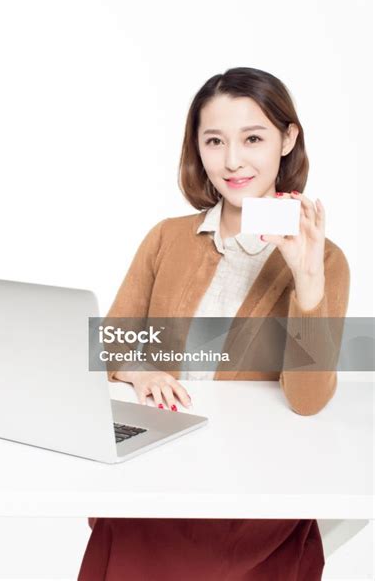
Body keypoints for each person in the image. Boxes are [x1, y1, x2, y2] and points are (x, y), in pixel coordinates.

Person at [78, 67, 350, 581]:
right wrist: (141, 372)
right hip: (154, 475)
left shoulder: (324, 258)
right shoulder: (168, 238)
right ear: (197, 148)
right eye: (214, 140)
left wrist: (307, 277)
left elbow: (308, 399)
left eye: (253, 138)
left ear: (287, 138)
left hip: (250, 500)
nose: (232, 160)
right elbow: (109, 342)